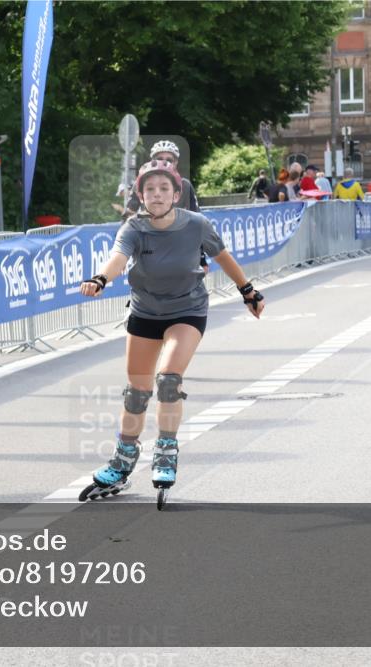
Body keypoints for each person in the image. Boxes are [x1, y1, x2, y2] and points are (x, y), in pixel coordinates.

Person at [78, 159, 264, 506]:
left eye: (165, 189)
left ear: (177, 194)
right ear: (142, 196)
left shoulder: (196, 224)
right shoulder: (134, 228)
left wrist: (248, 291)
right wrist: (100, 278)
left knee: (168, 380)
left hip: (186, 311)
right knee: (136, 392)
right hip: (146, 312)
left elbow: (223, 257)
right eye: (150, 189)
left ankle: (165, 451)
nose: (158, 194)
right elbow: (117, 258)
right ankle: (122, 462)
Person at [122, 140, 199, 219]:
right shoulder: (140, 183)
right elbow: (129, 214)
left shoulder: (185, 185)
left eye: (169, 160)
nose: (164, 163)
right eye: (160, 159)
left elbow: (196, 217)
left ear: (175, 163)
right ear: (152, 161)